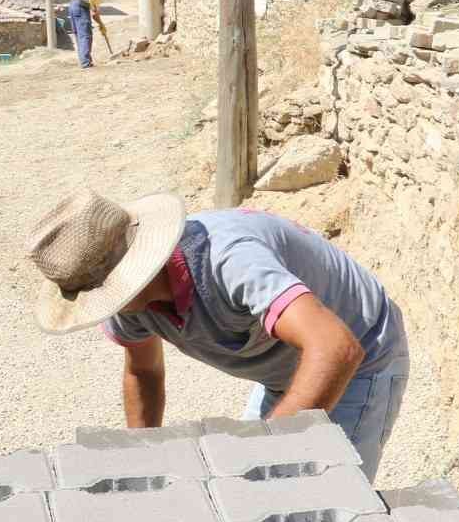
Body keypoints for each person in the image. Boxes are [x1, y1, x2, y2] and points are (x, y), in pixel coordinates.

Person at [25, 191, 411, 480]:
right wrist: (140, 462)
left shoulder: (231, 260)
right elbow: (143, 373)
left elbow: (336, 348)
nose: (102, 307)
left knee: (312, 504)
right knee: (259, 488)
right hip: (289, 368)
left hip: (362, 358)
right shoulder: (131, 307)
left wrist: (275, 451)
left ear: (129, 276)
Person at [66, 0, 121, 69]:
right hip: (81, 5)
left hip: (75, 5)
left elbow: (94, 13)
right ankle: (86, 63)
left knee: (80, 35)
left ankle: (84, 61)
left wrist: (101, 24)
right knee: (85, 35)